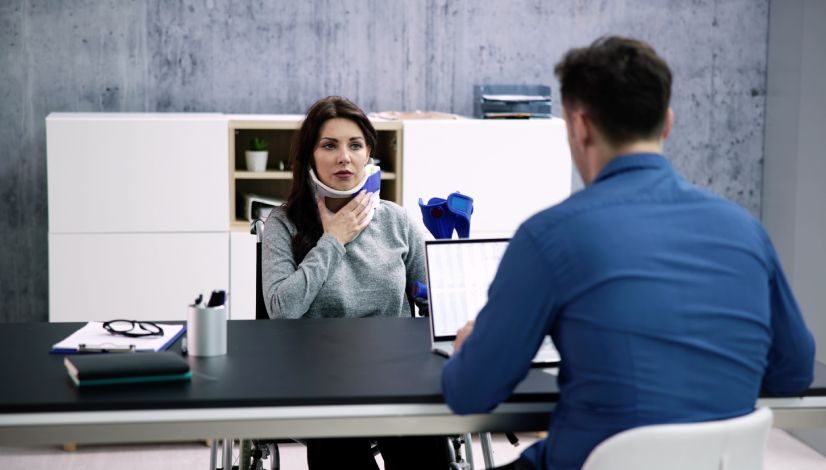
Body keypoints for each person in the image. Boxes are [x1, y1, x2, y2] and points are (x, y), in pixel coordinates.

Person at [441, 36, 815, 470]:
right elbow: (793, 372)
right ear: (667, 124)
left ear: (580, 126)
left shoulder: (550, 236)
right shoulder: (747, 231)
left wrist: (471, 349)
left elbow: (471, 393)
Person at [262, 96, 449, 469]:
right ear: (310, 157)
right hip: (321, 380)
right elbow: (282, 309)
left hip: (395, 373)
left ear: (369, 156)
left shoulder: (396, 220)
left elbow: (434, 304)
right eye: (329, 145)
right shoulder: (282, 225)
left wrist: (449, 272)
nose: (344, 157)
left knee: (426, 446)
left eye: (355, 145)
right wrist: (333, 240)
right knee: (340, 444)